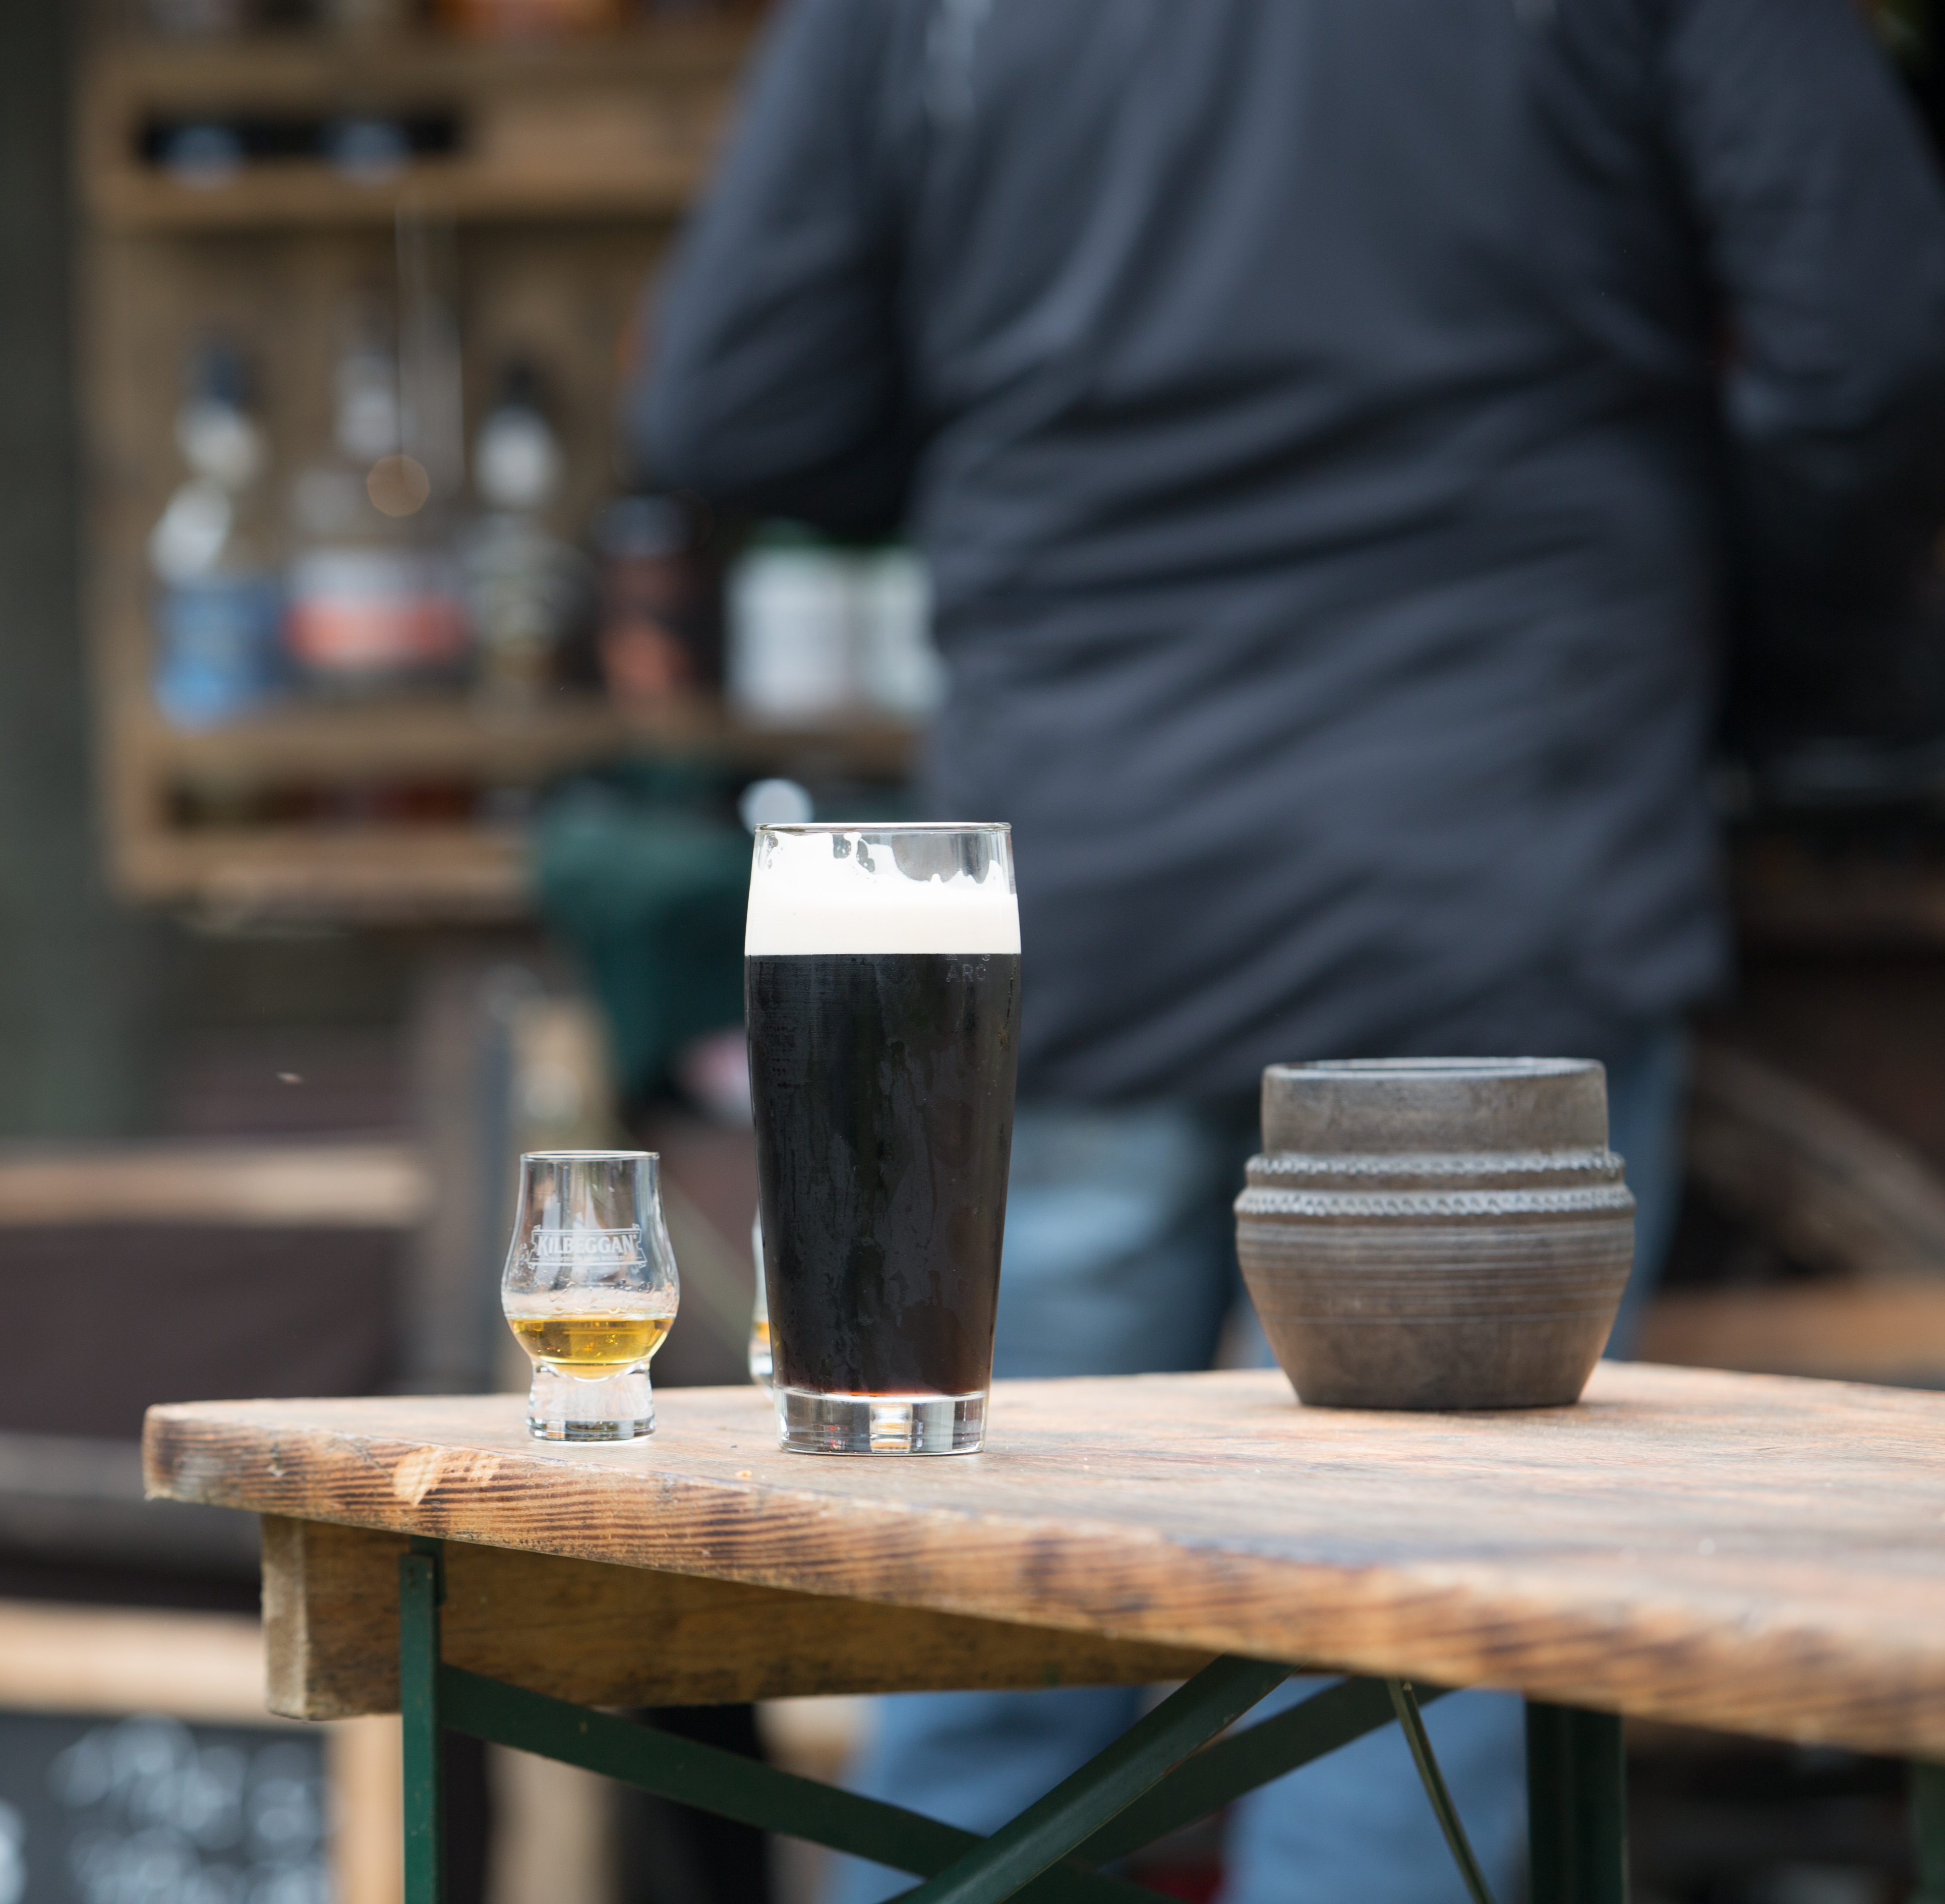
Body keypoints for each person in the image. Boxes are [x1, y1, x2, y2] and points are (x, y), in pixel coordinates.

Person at [632, 0, 1945, 1894]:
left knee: (984, 1648)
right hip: (1497, 836)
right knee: (1414, 1673)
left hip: (1095, 874)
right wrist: (1780, 657)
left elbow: (735, 404)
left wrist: (1062, 428)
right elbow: (1869, 334)